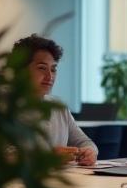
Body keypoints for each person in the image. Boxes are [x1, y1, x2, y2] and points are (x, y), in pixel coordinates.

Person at [12, 34, 97, 166]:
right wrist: (47, 157)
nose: (50, 76)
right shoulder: (3, 107)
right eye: (42, 68)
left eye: (53, 69)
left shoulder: (59, 107)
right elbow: (0, 155)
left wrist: (90, 151)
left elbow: (85, 142)